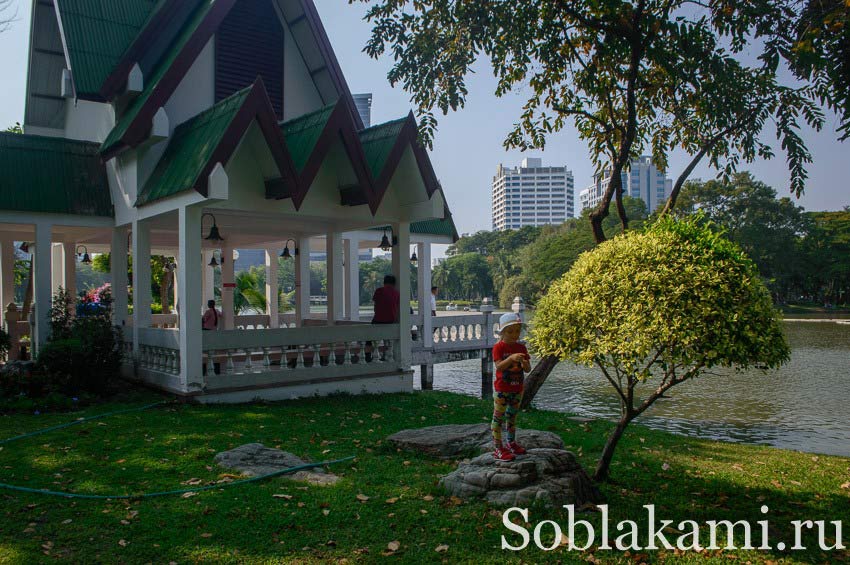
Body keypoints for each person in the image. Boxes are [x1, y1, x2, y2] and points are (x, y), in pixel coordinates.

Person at [490, 312, 531, 461]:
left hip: (517, 388)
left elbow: (527, 369)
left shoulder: (522, 348)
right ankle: (498, 447)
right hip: (502, 389)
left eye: (517, 331)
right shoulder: (498, 347)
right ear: (502, 332)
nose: (515, 335)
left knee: (512, 417)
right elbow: (499, 367)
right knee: (498, 417)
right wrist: (511, 358)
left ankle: (511, 443)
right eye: (510, 331)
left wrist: (525, 363)